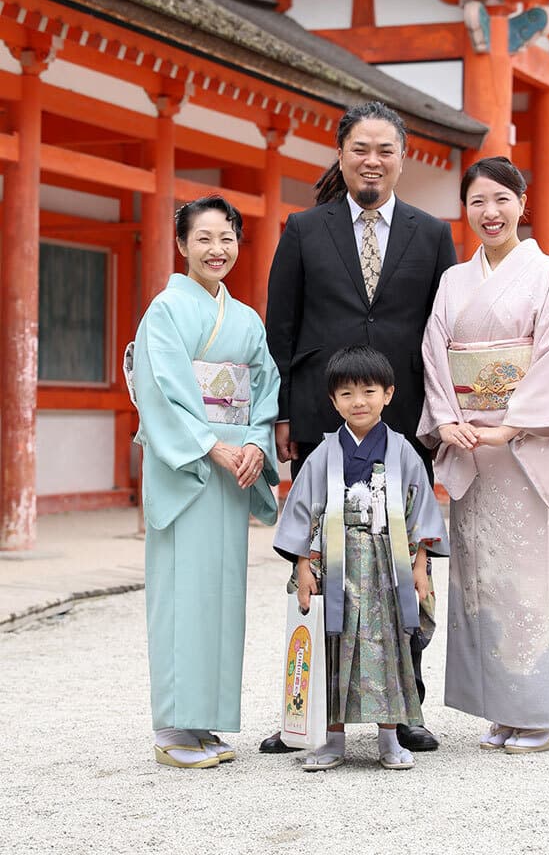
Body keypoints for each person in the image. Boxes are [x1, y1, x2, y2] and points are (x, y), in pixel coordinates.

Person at [262, 100, 457, 754]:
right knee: (322, 566)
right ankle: (311, 712)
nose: (372, 161)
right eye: (360, 149)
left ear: (403, 158)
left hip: (402, 423)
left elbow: (442, 334)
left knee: (404, 564)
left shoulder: (431, 236)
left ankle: (407, 710)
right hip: (323, 421)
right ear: (340, 154)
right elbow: (281, 328)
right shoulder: (303, 229)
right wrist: (285, 414)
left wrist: (441, 415)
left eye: (385, 150)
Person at [418, 156, 549, 755]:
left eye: (500, 200)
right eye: (476, 202)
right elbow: (434, 351)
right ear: (465, 210)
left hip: (523, 451)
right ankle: (500, 707)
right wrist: (446, 418)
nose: (489, 213)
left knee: (530, 578)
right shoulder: (453, 281)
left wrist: (512, 426)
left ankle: (542, 710)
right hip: (471, 445)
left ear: (522, 201)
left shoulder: (548, 275)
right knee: (481, 578)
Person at [132, 195, 280, 768]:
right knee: (181, 593)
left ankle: (205, 723)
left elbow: (263, 391)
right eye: (204, 239)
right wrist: (212, 445)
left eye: (227, 238)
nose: (217, 250)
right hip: (189, 467)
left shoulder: (246, 319)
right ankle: (173, 727)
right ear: (182, 245)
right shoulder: (165, 312)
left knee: (221, 595)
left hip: (229, 470)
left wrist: (252, 444)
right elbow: (160, 391)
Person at [274, 346, 449, 771]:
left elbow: (420, 507)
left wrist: (421, 565)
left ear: (388, 394)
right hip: (336, 562)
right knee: (333, 645)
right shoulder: (325, 453)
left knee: (388, 645)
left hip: (388, 564)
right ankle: (332, 740)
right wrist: (302, 565)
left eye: (369, 391)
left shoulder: (403, 450)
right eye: (347, 393)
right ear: (333, 401)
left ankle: (390, 738)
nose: (359, 402)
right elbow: (303, 510)